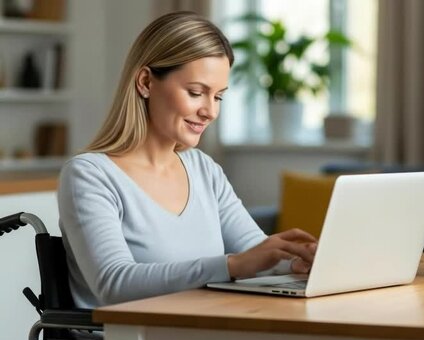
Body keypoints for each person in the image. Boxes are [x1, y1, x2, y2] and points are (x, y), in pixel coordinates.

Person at [57, 11, 317, 309]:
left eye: (218, 97)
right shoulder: (90, 175)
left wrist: (295, 261)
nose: (210, 111)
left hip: (201, 333)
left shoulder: (203, 169)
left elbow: (254, 254)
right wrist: (231, 266)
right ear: (145, 82)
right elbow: (113, 283)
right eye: (196, 93)